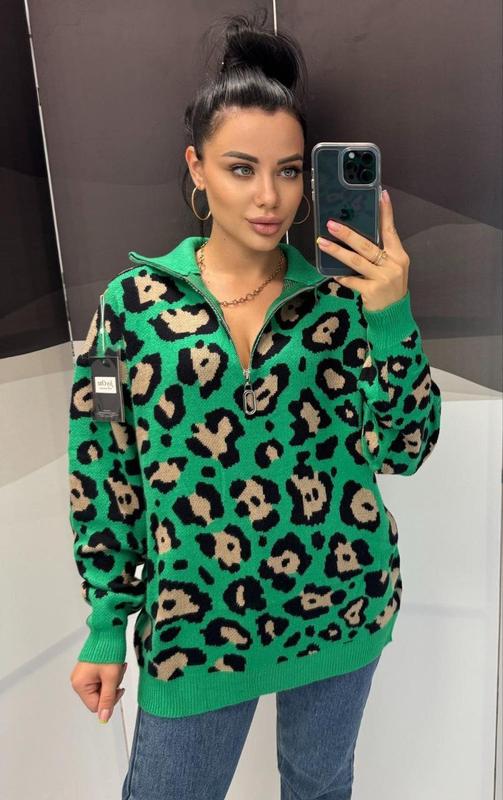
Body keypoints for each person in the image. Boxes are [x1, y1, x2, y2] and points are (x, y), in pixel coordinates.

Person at [68, 9, 442, 800]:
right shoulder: (127, 309)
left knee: (318, 787)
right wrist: (106, 624)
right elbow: (103, 473)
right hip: (193, 631)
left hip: (340, 611)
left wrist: (391, 316)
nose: (269, 197)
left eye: (290, 170)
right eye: (241, 168)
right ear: (197, 168)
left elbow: (406, 449)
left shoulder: (344, 304)